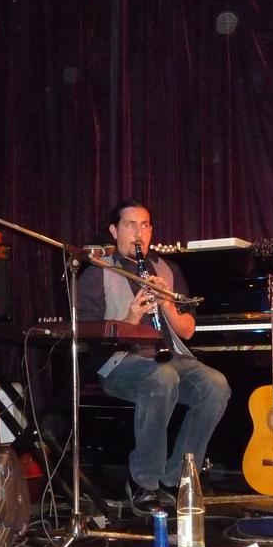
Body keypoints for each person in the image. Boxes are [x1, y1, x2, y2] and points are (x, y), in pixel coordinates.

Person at [77, 199, 230, 516]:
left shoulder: (167, 269)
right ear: (114, 230)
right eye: (130, 225)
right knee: (162, 377)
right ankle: (144, 482)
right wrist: (132, 316)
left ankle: (177, 479)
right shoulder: (97, 272)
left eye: (144, 225)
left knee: (215, 384)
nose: (139, 233)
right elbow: (89, 335)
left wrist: (167, 305)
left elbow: (187, 331)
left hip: (169, 357)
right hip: (119, 362)